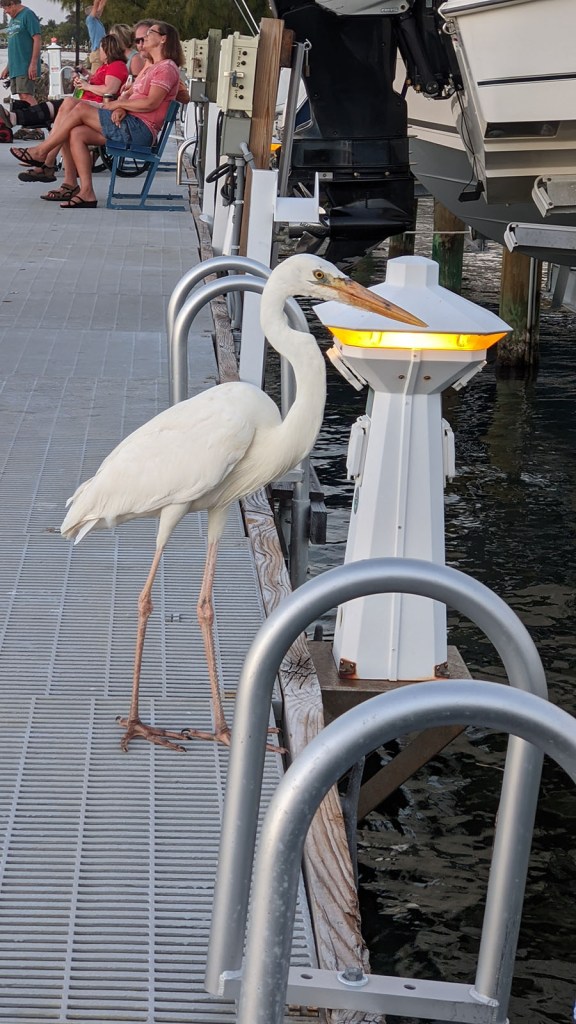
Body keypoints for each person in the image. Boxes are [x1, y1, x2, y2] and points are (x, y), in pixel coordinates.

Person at [8, 21, 184, 209]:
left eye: (150, 33)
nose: (145, 37)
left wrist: (118, 104)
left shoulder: (166, 68)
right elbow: (128, 94)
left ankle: (43, 152)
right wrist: (121, 107)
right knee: (76, 132)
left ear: (163, 39)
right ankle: (86, 192)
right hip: (129, 122)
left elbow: (151, 103)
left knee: (79, 109)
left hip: (140, 130)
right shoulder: (151, 66)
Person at [3, 32, 128, 190]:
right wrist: (85, 78)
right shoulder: (107, 67)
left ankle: (41, 153)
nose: (98, 53)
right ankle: (51, 166)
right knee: (62, 120)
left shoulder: (117, 65)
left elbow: (110, 89)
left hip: (96, 108)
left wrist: (86, 86)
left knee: (62, 107)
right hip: (86, 104)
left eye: (100, 49)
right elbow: (103, 83)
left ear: (108, 49)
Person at [0, 0, 42, 106]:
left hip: (25, 65)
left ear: (12, 3)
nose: (5, 12)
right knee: (20, 96)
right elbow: (15, 45)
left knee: (26, 95)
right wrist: (8, 67)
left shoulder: (28, 14)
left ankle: (39, 117)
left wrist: (33, 64)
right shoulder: (12, 21)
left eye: (6, 8)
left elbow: (37, 39)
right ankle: (28, 119)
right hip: (15, 67)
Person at [85, 0, 107, 73]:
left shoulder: (97, 21)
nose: (97, 11)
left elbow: (101, 6)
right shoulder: (90, 20)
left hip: (101, 50)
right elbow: (96, 4)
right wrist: (97, 3)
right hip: (97, 51)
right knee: (96, 74)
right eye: (95, 10)